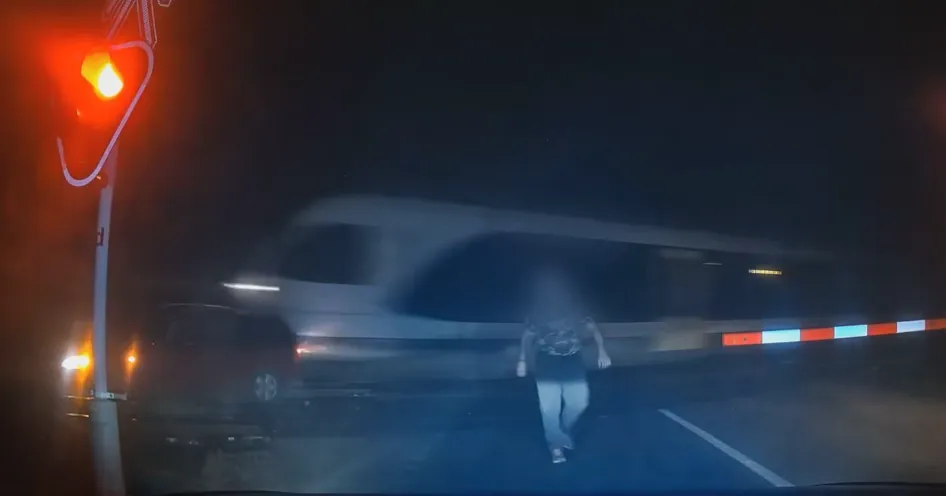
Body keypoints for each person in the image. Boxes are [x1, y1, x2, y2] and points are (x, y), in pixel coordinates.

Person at [516, 267, 611, 464]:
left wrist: (602, 350)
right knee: (550, 408)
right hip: (547, 363)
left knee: (579, 402)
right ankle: (556, 447)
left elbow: (593, 328)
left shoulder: (577, 309)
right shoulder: (537, 311)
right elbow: (527, 336)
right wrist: (522, 359)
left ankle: (561, 432)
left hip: (573, 362)